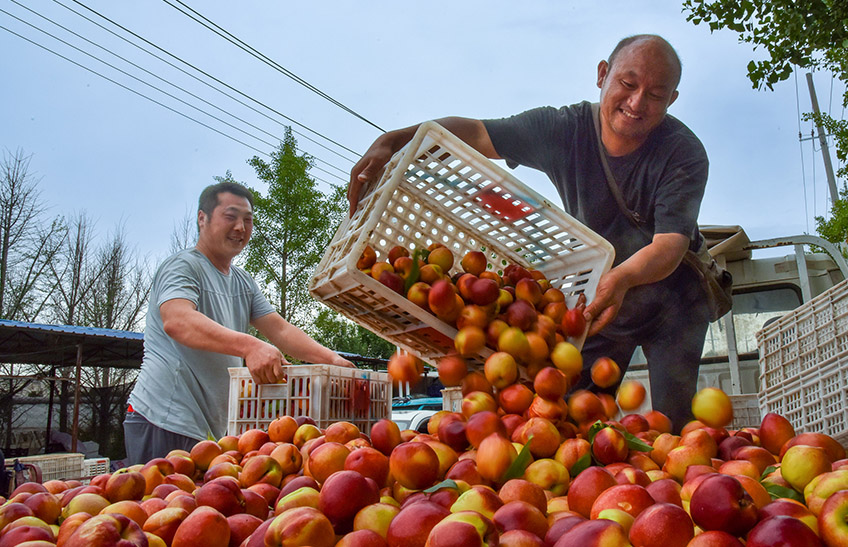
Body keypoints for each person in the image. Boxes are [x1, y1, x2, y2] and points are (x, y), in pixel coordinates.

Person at [348, 35, 709, 429]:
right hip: (603, 300)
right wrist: (393, 141)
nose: (637, 103)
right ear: (603, 74)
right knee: (574, 419)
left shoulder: (683, 153)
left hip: (674, 300)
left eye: (656, 94)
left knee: (675, 426)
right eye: (627, 83)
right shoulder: (563, 130)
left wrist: (622, 277)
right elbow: (477, 133)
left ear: (671, 99)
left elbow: (670, 245)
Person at [125, 182, 354, 464]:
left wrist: (332, 359)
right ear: (202, 219)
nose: (240, 228)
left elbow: (279, 329)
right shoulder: (183, 266)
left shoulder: (243, 282)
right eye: (230, 217)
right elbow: (177, 320)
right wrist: (250, 346)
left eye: (248, 220)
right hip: (163, 417)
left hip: (208, 429)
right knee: (161, 503)